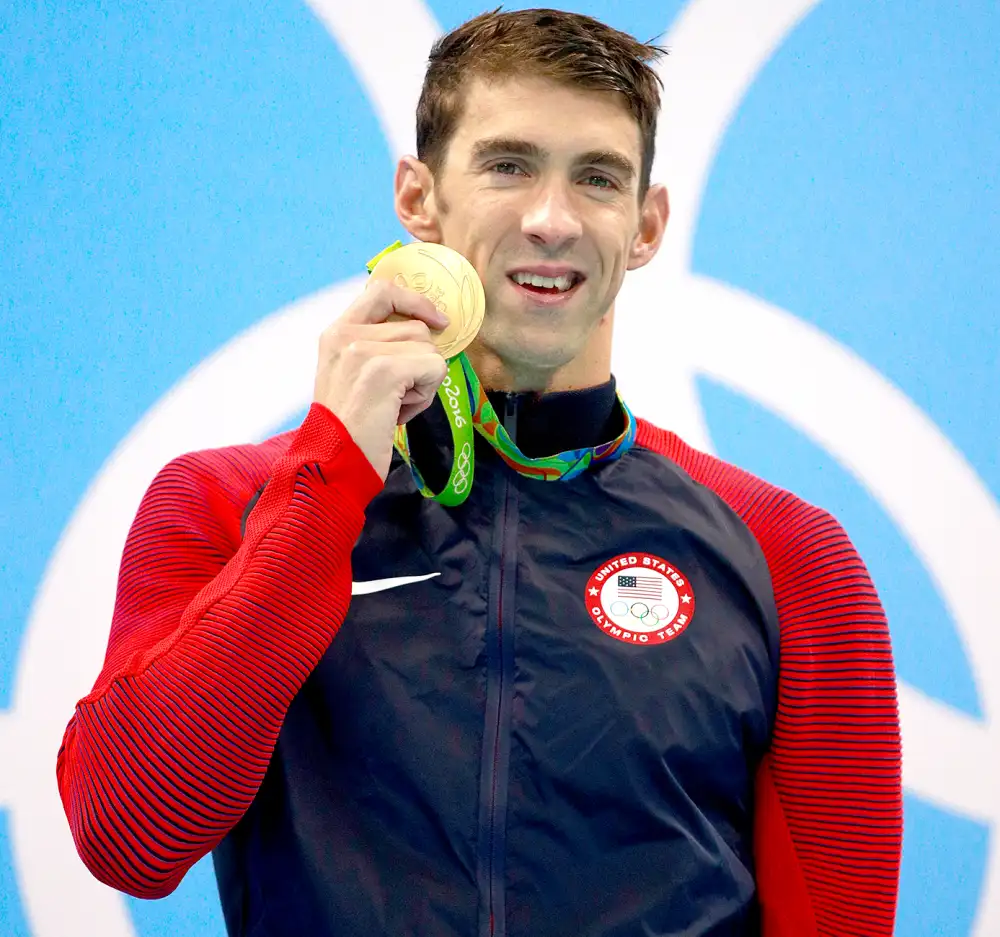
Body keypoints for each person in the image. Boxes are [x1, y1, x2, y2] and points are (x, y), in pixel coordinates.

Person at [56, 8, 902, 936]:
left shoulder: (788, 553)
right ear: (418, 199)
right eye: (508, 165)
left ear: (648, 224)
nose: (552, 219)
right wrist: (331, 472)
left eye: (598, 177)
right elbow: (129, 836)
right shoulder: (225, 503)